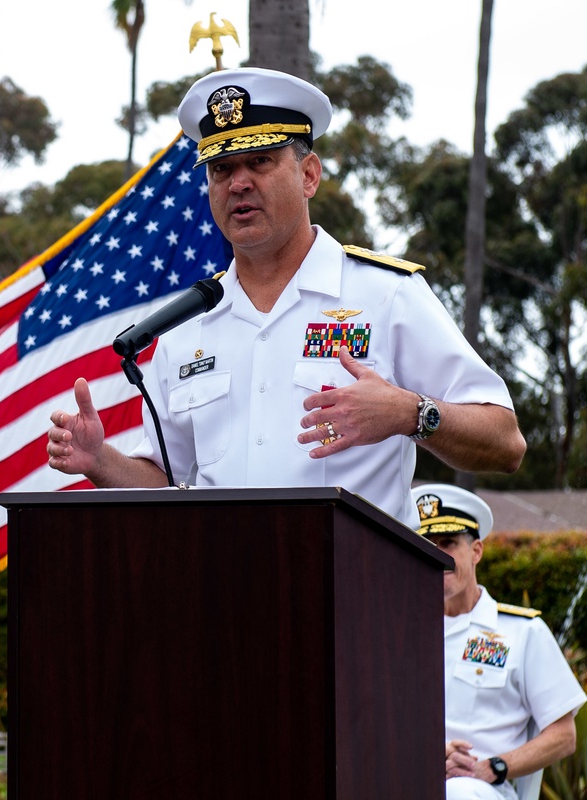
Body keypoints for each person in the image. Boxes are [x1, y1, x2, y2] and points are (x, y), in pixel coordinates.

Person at [46, 67, 526, 527]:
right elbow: (168, 481)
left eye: (260, 161)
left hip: (352, 594)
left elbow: (505, 442)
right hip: (223, 595)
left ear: (309, 176)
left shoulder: (386, 294)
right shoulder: (186, 328)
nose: (238, 183)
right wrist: (101, 462)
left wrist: (409, 413)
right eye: (221, 169)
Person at [411, 483, 585, 799]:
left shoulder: (521, 632)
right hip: (409, 775)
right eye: (427, 544)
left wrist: (495, 766)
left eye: (448, 542)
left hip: (479, 787)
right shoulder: (402, 635)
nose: (437, 554)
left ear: (476, 551)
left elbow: (564, 735)